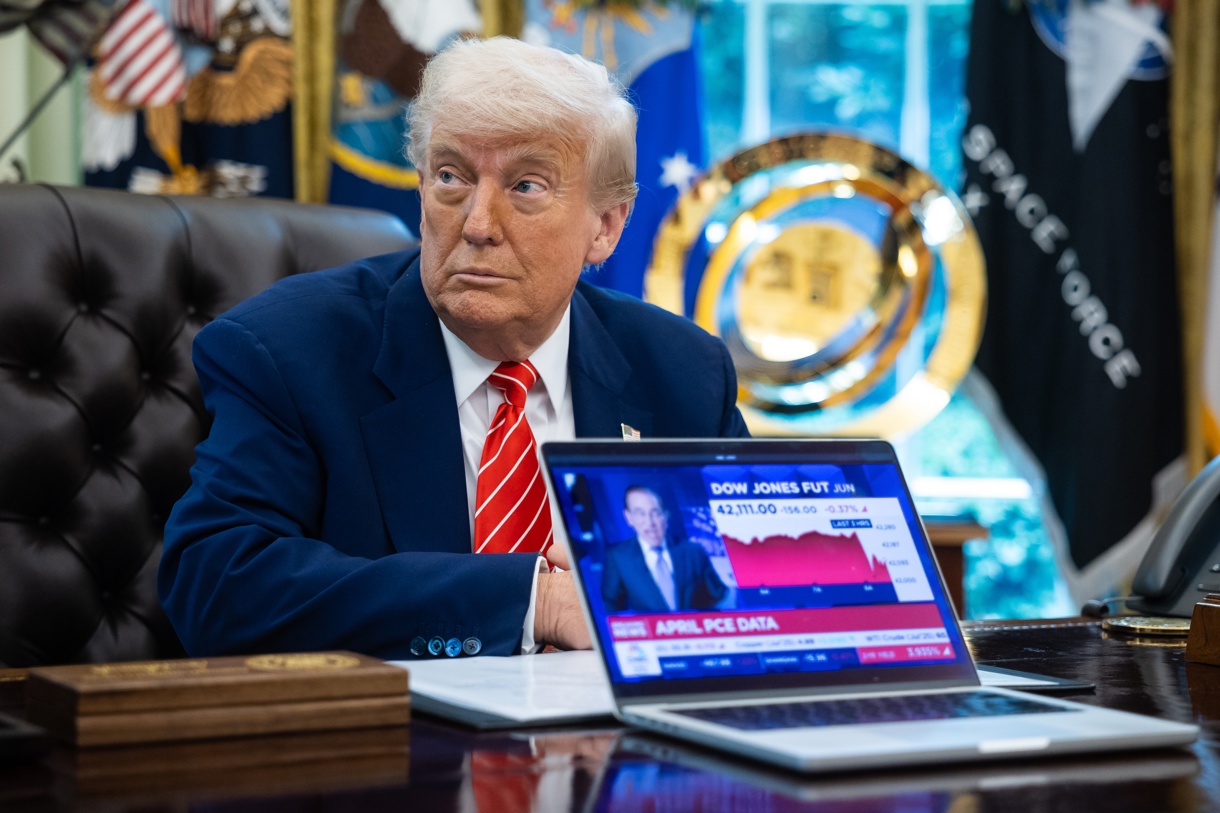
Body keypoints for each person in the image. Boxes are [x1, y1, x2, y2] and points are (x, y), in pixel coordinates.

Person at [158, 36, 748, 661]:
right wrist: (534, 601)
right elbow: (216, 586)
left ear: (605, 227)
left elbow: (765, 588)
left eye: (526, 186)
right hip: (391, 746)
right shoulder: (287, 352)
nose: (477, 224)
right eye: (450, 177)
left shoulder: (683, 372)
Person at [601, 486, 728, 613]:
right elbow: (611, 607)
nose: (650, 523)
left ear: (666, 515)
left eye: (655, 513)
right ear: (628, 517)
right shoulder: (618, 557)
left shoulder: (693, 551)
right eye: (640, 514)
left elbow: (719, 596)